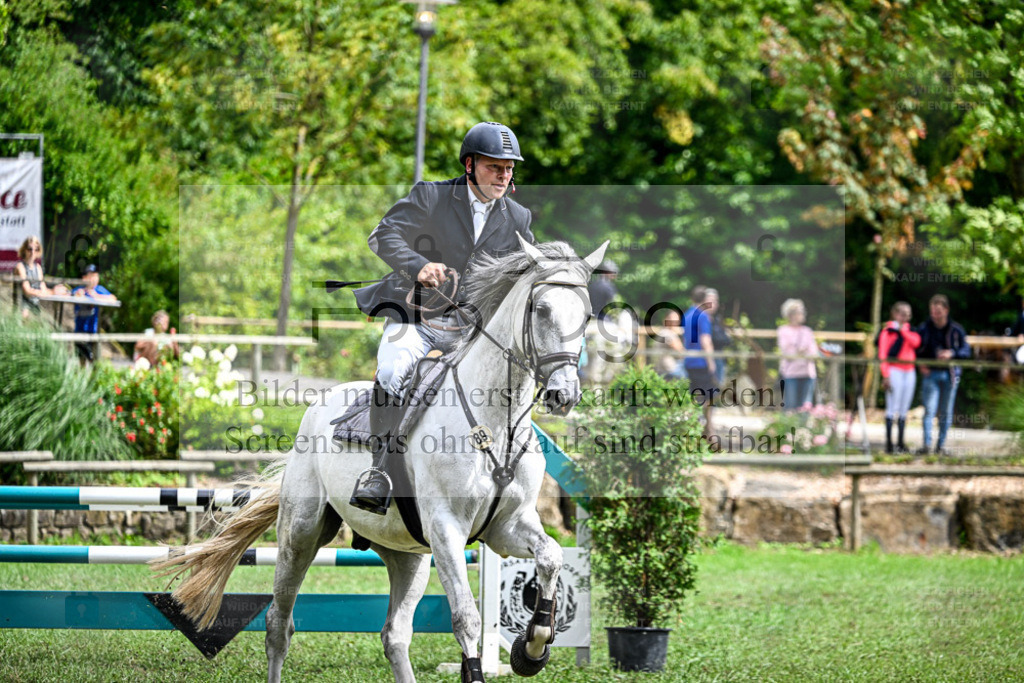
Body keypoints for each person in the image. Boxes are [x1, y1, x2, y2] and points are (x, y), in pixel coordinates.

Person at [349, 122, 537, 515]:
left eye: (508, 169)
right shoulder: (432, 196)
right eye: (494, 167)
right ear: (469, 165)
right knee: (392, 368)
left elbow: (528, 272)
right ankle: (378, 472)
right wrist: (417, 265)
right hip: (418, 316)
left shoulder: (517, 217)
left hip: (472, 329)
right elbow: (383, 235)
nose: (503, 176)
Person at [916, 294, 971, 455]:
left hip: (950, 375)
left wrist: (952, 354)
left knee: (946, 412)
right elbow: (915, 348)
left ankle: (941, 446)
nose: (935, 314)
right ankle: (926, 445)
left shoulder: (956, 330)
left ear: (946, 310)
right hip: (930, 374)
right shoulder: (924, 328)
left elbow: (966, 350)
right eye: (932, 311)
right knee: (929, 410)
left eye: (938, 311)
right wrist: (921, 364)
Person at [877, 301, 921, 454]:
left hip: (909, 371)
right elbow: (882, 354)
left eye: (908, 314)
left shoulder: (911, 330)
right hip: (894, 370)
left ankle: (901, 443)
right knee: (892, 408)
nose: (905, 317)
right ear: (895, 314)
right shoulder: (887, 331)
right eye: (902, 314)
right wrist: (885, 375)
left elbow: (916, 342)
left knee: (904, 409)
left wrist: (903, 331)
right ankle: (889, 444)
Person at [683, 286, 717, 437]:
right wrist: (711, 362)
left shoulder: (688, 314)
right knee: (708, 398)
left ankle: (698, 427)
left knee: (695, 395)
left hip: (689, 361)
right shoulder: (702, 316)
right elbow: (705, 340)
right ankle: (706, 429)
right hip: (700, 362)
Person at [72, 264, 118, 364]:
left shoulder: (99, 290)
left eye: (96, 275)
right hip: (79, 331)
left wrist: (97, 296)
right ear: (84, 278)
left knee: (94, 360)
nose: (94, 279)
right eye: (91, 275)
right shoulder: (79, 289)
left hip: (93, 331)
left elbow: (113, 298)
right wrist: (78, 295)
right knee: (81, 360)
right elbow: (71, 294)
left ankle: (93, 378)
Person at [777, 298, 817, 410]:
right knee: (790, 405)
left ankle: (802, 427)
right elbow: (786, 350)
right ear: (791, 315)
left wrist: (799, 350)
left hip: (808, 373)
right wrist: (800, 351)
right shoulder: (783, 330)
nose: (803, 314)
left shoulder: (807, 331)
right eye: (800, 312)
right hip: (791, 373)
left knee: (805, 406)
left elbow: (813, 351)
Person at [13, 237, 67, 318]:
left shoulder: (38, 267)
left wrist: (57, 291)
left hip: (35, 306)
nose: (32, 252)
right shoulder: (20, 266)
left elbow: (43, 288)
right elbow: (27, 291)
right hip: (22, 307)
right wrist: (51, 292)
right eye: (30, 249)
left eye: (36, 249)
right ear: (24, 249)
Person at [705, 288, 731, 386]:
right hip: (706, 359)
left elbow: (726, 340)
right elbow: (713, 339)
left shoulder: (717, 319)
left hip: (718, 358)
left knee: (717, 389)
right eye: (711, 301)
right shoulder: (701, 319)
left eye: (716, 301)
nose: (714, 304)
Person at [654, 309, 686, 380]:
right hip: (669, 371)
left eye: (677, 320)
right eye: (672, 319)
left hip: (669, 370)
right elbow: (680, 350)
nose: (675, 323)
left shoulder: (667, 332)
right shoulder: (666, 333)